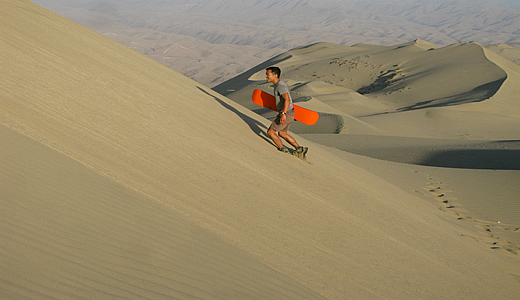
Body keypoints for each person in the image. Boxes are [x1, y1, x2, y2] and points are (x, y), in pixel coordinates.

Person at [265, 66, 308, 157]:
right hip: (289, 112)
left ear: (275, 75)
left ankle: (283, 149)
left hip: (286, 113)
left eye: (268, 74)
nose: (266, 76)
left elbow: (287, 100)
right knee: (282, 133)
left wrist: (283, 114)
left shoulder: (280, 86)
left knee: (271, 132)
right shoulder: (280, 84)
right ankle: (299, 149)